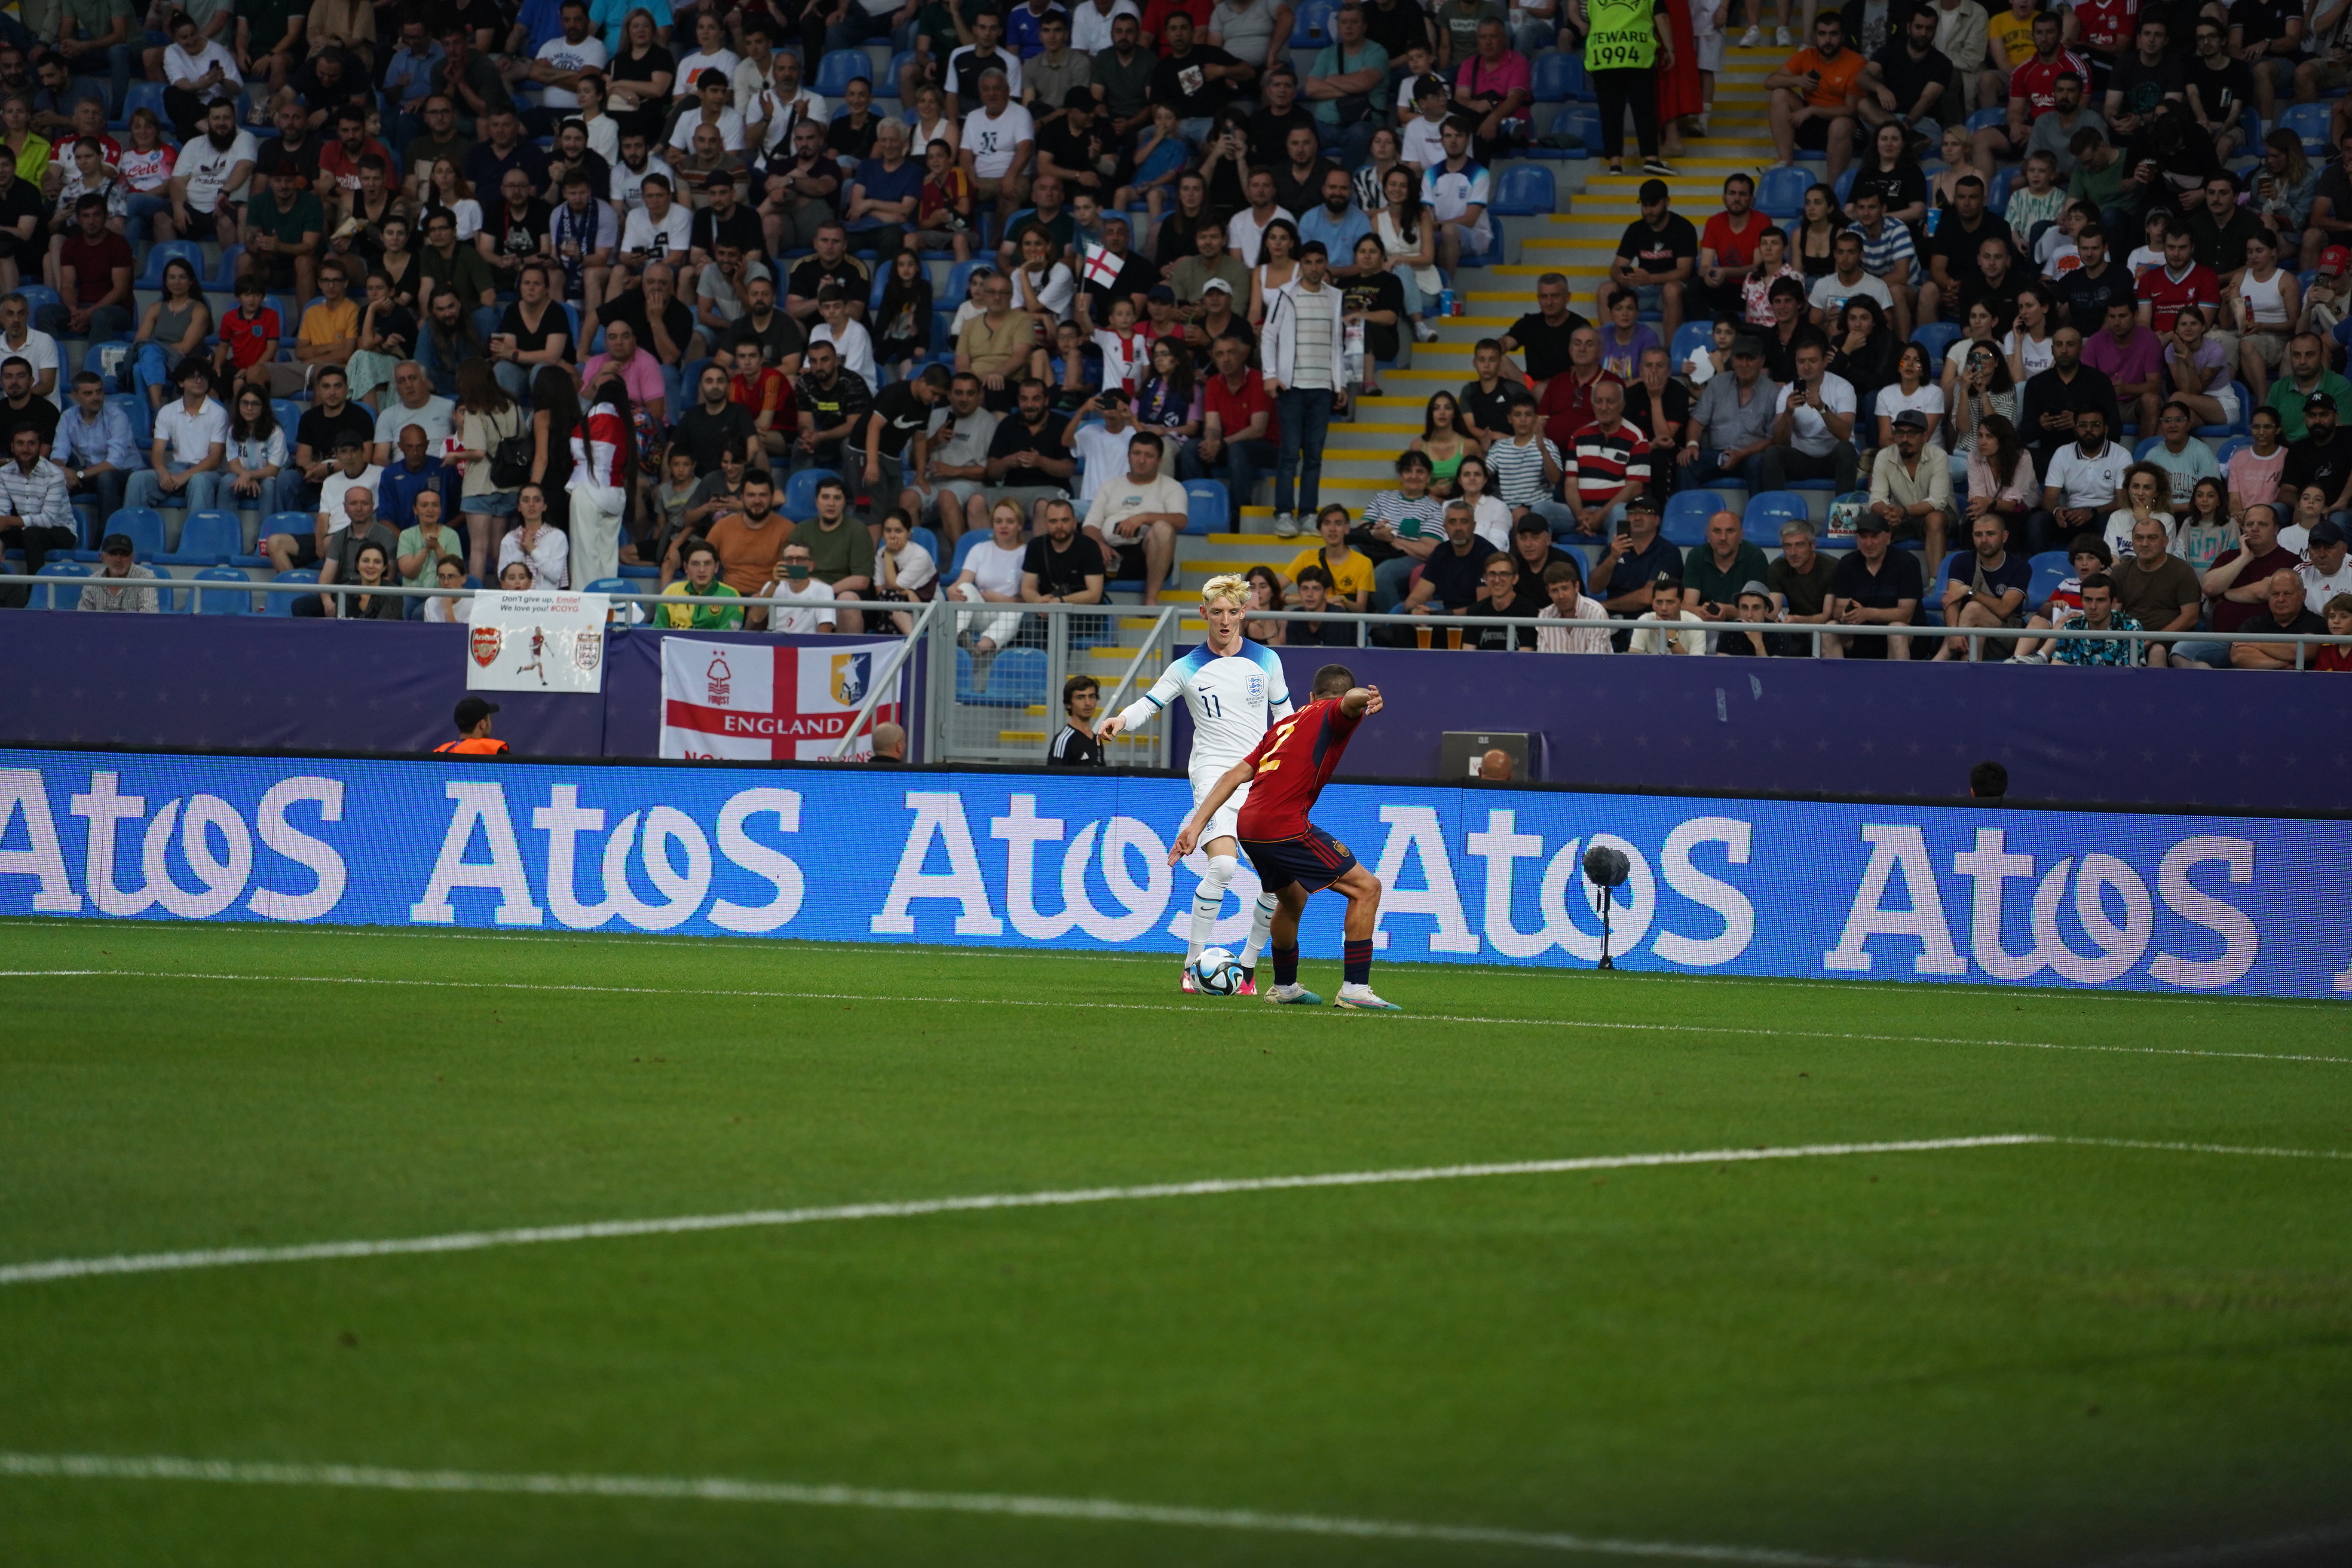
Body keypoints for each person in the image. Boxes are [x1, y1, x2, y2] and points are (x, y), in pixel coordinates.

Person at [1098, 575, 1293, 991]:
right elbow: (1149, 704)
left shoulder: (1267, 661)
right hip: (1212, 774)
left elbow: (1287, 722)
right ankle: (1191, 967)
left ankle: (1246, 969)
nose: (1225, 620)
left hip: (1259, 777)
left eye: (1232, 612)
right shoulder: (1186, 667)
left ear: (1244, 613)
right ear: (1204, 614)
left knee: (1279, 884)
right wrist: (1119, 719)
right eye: (1217, 612)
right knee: (1223, 865)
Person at [1168, 662, 1394, 1010]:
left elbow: (1233, 775)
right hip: (1283, 825)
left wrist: (1195, 827)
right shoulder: (1332, 713)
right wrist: (1368, 696)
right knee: (1367, 888)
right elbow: (1347, 701)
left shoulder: (1284, 725)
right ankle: (1354, 988)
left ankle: (1285, 986)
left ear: (1309, 696)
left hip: (1250, 825)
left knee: (1291, 900)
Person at [1767, 12, 1864, 185]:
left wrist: (1811, 110)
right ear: (1815, 36)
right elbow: (1769, 82)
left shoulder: (1855, 63)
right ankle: (1785, 163)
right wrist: (1797, 80)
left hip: (1844, 127)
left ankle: (1831, 190)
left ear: (1842, 36)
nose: (1827, 40)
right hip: (1812, 126)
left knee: (1840, 125)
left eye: (1833, 34)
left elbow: (1851, 109)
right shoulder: (1806, 56)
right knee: (1779, 93)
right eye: (1822, 34)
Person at [1760, 332, 1858, 492]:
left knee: (1846, 450)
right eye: (1801, 361)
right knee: (1772, 454)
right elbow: (1779, 441)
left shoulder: (1843, 387)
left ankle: (1843, 512)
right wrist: (1788, 413)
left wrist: (1822, 408)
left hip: (1833, 458)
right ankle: (1776, 509)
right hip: (1802, 458)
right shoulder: (1787, 392)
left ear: (1825, 361)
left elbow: (1845, 434)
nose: (1806, 367)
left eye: (1813, 361)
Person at [1936, 512, 2033, 661]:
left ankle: (1938, 662)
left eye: (1991, 534)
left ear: (2005, 536)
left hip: (2005, 634)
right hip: (1968, 631)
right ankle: (1969, 678)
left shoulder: (2021, 567)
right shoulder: (1961, 561)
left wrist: (1969, 591)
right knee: (1977, 633)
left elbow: (2004, 609)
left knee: (1973, 608)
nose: (1984, 540)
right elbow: (1951, 601)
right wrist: (1954, 633)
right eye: (1978, 535)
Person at [1824, 510, 1923, 657]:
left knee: (1896, 630)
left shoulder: (1908, 563)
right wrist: (1846, 615)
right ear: (1857, 539)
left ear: (1888, 537)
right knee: (1829, 629)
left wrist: (1868, 613)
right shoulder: (1847, 563)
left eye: (1875, 537)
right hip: (1861, 634)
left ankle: (1899, 680)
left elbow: (1905, 615)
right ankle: (1836, 680)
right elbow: (1839, 608)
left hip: (1905, 636)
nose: (1869, 543)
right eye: (1864, 537)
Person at [1048, 675, 1105, 766]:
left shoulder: (1096, 740)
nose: (1088, 703)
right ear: (1068, 704)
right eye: (1080, 698)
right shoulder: (1064, 740)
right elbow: (1053, 779)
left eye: (1092, 697)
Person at [435, 696, 511, 755]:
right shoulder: (496, 752)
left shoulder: (441, 754)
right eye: (489, 719)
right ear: (483, 724)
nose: (491, 724)